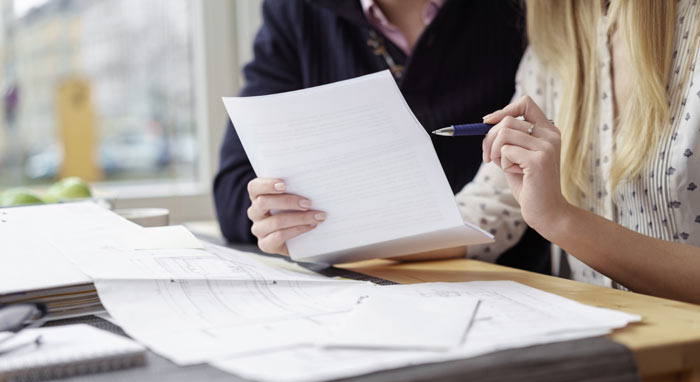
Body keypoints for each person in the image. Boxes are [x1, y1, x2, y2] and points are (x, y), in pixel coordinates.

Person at [214, 0, 552, 273]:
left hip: (508, 281)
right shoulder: (297, 11)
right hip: (360, 282)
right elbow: (234, 193)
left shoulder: (524, 11)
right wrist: (282, 220)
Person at [458, 0, 700, 303]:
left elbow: (538, 211)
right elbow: (489, 207)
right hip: (606, 342)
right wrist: (385, 232)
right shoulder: (554, 48)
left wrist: (559, 218)